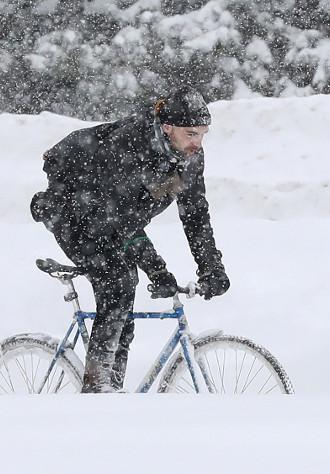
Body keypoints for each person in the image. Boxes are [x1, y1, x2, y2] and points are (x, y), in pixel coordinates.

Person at [30, 86, 230, 393]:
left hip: (112, 217)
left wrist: (211, 267)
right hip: (73, 207)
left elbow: (195, 215)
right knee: (118, 281)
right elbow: (119, 219)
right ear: (167, 127)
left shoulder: (189, 157)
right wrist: (157, 269)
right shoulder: (131, 144)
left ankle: (113, 392)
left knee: (124, 298)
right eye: (191, 134)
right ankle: (97, 387)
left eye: (203, 134)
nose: (198, 143)